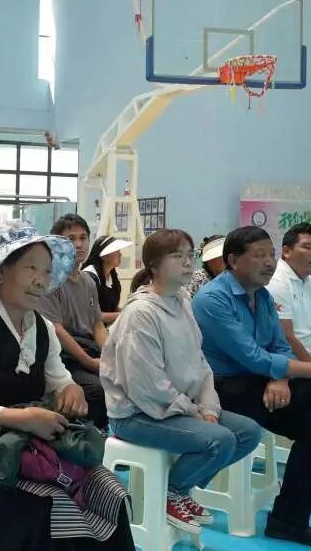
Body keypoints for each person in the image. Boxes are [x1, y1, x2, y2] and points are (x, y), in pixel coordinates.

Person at [0, 223, 139, 551]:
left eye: (46, 271)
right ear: (1, 272)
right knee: (43, 509)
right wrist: (26, 419)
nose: (41, 280)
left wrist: (71, 390)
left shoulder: (42, 328)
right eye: (31, 267)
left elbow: (59, 379)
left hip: (32, 442)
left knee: (109, 492)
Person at [101, 229, 262, 534]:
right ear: (154, 265)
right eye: (178, 256)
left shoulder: (183, 301)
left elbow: (200, 364)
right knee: (220, 440)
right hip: (137, 414)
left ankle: (180, 488)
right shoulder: (141, 314)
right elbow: (146, 385)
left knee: (248, 432)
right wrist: (192, 411)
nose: (188, 262)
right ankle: (170, 491)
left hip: (177, 407)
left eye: (190, 255)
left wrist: (208, 407)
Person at [193, 226, 311, 547]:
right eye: (260, 255)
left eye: (271, 254)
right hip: (220, 391)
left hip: (259, 383)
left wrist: (280, 378)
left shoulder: (262, 296)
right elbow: (252, 356)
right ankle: (287, 521)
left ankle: (287, 522)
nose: (269, 262)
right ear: (233, 260)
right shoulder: (212, 299)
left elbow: (279, 346)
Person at [38, 214, 109, 429]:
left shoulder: (88, 281)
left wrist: (111, 355)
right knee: (98, 389)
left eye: (83, 237)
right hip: (64, 356)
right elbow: (57, 330)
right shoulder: (50, 282)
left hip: (88, 349)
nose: (78, 244)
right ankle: (85, 437)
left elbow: (97, 325)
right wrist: (89, 362)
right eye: (71, 239)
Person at [266, 223, 311, 362]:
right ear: (286, 251)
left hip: (308, 362)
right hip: (282, 365)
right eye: (307, 247)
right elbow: (286, 337)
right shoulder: (275, 281)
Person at [81, 235, 132, 324]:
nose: (120, 254)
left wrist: (129, 311)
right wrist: (124, 314)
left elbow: (112, 309)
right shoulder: (90, 276)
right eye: (116, 251)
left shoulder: (113, 276)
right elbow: (91, 315)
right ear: (103, 256)